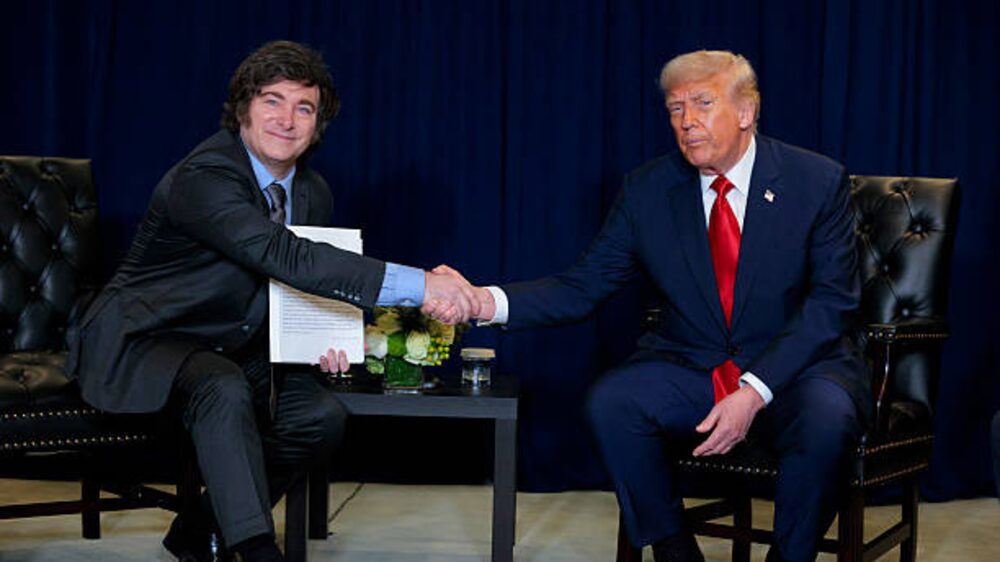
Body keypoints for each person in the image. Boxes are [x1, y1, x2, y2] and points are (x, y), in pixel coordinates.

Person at [447, 50, 869, 562]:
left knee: (828, 419)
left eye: (702, 104)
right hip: (698, 366)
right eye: (675, 109)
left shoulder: (816, 182)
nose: (686, 122)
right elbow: (582, 286)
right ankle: (673, 551)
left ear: (746, 111)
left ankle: (789, 556)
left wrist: (754, 392)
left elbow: (831, 303)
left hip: (798, 371)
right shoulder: (649, 189)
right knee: (613, 402)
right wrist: (481, 301)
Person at [66, 40, 477, 562]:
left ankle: (202, 530)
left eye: (303, 107)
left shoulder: (314, 191)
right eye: (272, 101)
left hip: (232, 344)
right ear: (243, 109)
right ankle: (257, 549)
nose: (287, 119)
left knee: (319, 415)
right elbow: (284, 254)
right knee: (222, 386)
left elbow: (300, 284)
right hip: (146, 339)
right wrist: (422, 285)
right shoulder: (205, 177)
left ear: (318, 122)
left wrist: (327, 339)